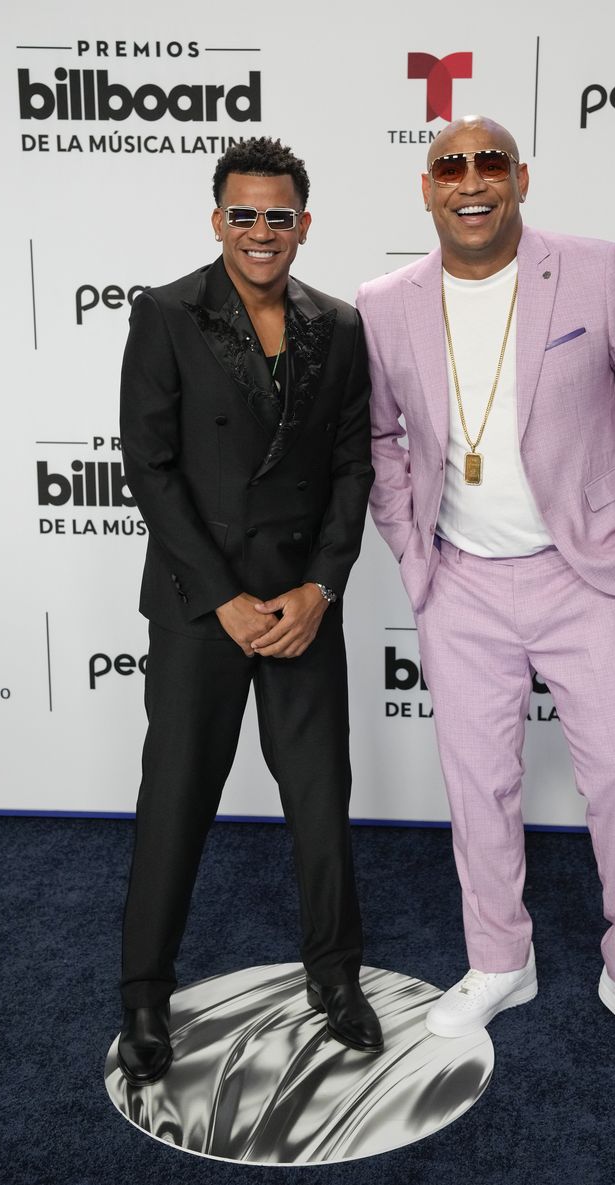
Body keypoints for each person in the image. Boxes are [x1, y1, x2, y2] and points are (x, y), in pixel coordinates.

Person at [357, 116, 615, 1077]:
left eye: (491, 163)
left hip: (586, 574)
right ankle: (501, 958)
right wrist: (412, 554)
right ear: (426, 189)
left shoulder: (594, 271)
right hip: (459, 581)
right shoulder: (384, 303)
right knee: (478, 788)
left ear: (521, 178)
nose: (472, 181)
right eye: (450, 166)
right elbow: (381, 438)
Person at [116, 136, 382, 1086]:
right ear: (217, 218)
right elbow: (148, 467)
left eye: (279, 217)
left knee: (320, 794)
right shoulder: (167, 314)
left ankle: (336, 974)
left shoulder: (340, 325)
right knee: (177, 795)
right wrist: (224, 598)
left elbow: (355, 463)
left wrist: (321, 586)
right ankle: (145, 993)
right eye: (244, 215)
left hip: (303, 603)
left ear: (303, 225)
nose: (261, 232)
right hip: (203, 605)